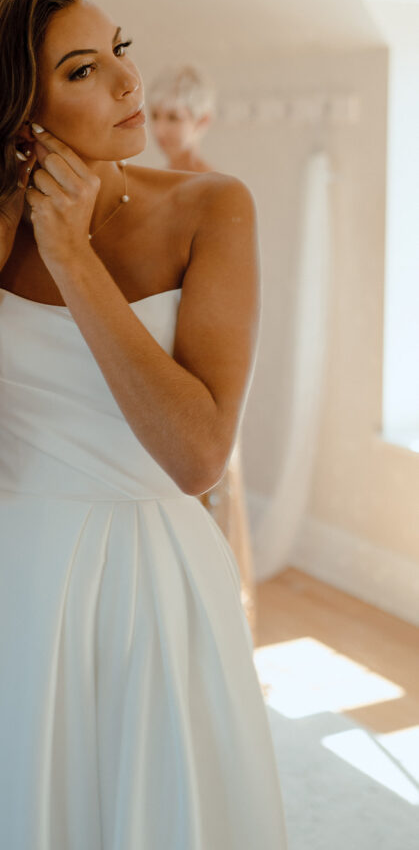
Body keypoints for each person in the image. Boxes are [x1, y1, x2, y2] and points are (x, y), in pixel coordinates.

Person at [0, 0, 288, 849]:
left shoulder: (211, 208)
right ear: (19, 114)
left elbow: (197, 456)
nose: (128, 84)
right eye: (83, 70)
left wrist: (72, 257)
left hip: (157, 584)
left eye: (119, 49)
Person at [149, 64, 258, 639]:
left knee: (209, 487)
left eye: (176, 118)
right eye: (158, 116)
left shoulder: (216, 193)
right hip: (162, 345)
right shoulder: (155, 180)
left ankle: (219, 630)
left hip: (202, 349)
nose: (164, 129)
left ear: (203, 122)